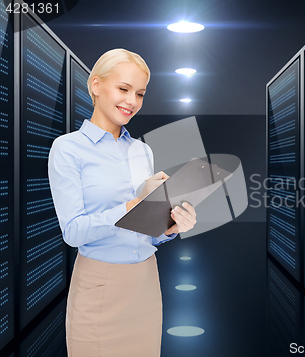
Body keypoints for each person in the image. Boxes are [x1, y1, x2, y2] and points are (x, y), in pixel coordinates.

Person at [48, 48, 197, 357]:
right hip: (99, 288)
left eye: (140, 94)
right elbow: (73, 232)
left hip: (145, 285)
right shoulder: (67, 149)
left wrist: (172, 227)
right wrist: (134, 203)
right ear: (95, 85)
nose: (132, 101)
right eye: (124, 89)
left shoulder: (142, 151)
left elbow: (147, 232)